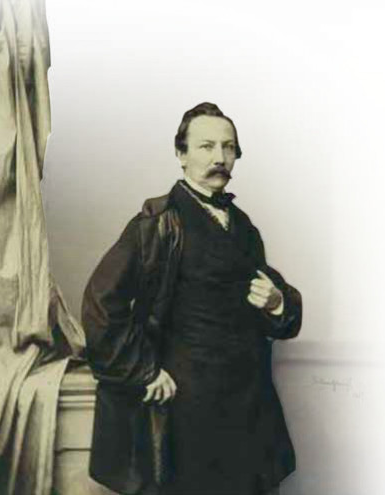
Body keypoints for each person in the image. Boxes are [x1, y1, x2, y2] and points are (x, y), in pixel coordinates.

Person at [82, 102, 302, 495]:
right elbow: (101, 302)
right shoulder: (156, 224)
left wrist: (276, 303)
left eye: (228, 147)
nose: (219, 157)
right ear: (181, 154)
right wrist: (143, 371)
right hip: (186, 407)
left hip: (248, 404)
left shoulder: (244, 228)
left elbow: (275, 302)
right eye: (206, 146)